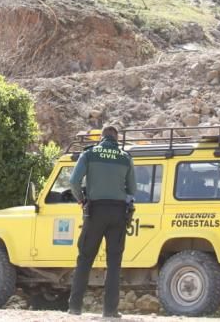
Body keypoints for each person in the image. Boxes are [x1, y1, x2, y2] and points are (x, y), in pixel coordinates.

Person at [67, 125, 136, 318]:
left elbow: (73, 181)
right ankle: (111, 311)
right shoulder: (125, 157)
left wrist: (81, 199)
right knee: (114, 263)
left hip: (95, 212)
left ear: (101, 138)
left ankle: (75, 307)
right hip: (118, 213)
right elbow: (132, 190)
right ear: (117, 139)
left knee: (85, 259)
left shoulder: (89, 154)